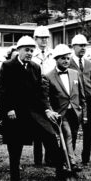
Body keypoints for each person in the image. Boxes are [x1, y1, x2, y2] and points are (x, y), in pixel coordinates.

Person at [0, 35, 67, 181]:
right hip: (15, 113)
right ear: (19, 50)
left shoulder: (35, 67)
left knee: (50, 136)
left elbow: (41, 93)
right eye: (26, 50)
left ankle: (60, 170)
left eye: (31, 50)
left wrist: (47, 110)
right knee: (15, 146)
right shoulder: (8, 66)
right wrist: (8, 109)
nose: (29, 53)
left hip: (35, 113)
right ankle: (14, 178)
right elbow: (1, 90)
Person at [44, 44, 86, 172]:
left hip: (74, 111)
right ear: (56, 59)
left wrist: (84, 113)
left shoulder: (75, 73)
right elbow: (46, 98)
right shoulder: (49, 76)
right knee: (67, 134)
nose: (66, 61)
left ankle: (64, 162)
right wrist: (51, 111)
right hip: (60, 113)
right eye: (63, 58)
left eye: (68, 58)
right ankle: (72, 162)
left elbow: (82, 95)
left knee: (71, 136)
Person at [68, 34, 91, 165]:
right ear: (73, 47)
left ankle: (86, 158)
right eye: (80, 45)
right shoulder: (69, 63)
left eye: (84, 45)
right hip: (74, 101)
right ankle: (70, 157)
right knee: (73, 129)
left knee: (88, 129)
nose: (83, 48)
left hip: (88, 101)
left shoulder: (89, 63)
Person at [31, 25, 55, 166]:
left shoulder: (52, 55)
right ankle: (37, 158)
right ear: (35, 39)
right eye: (41, 38)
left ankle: (49, 157)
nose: (44, 40)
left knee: (49, 126)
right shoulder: (31, 54)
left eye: (46, 38)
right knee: (37, 126)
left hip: (49, 93)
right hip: (35, 94)